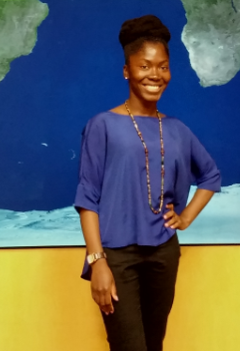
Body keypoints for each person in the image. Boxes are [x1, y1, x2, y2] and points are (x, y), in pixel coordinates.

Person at [74, 14, 221, 351]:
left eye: (163, 66)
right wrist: (97, 262)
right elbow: (88, 197)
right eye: (145, 66)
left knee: (153, 345)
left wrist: (184, 218)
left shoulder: (177, 129)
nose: (155, 74)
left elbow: (211, 176)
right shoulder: (102, 125)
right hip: (116, 257)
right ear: (127, 70)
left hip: (163, 255)